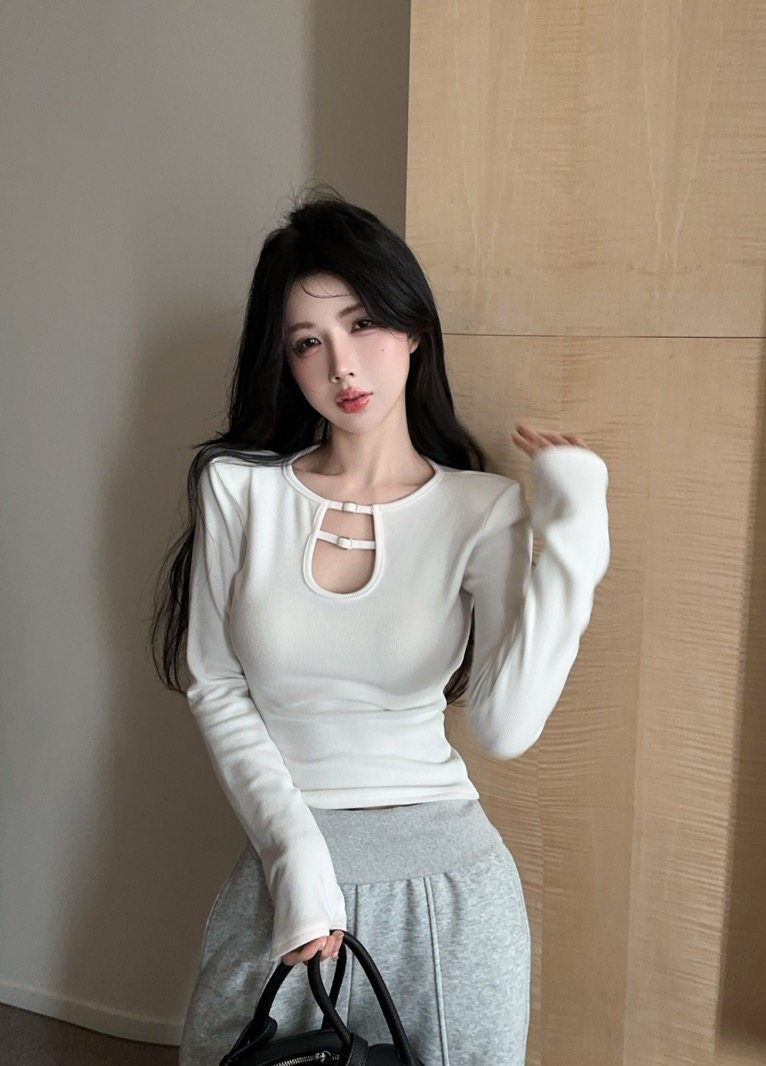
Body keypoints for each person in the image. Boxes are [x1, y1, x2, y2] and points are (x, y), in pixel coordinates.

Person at [149, 183, 611, 1065]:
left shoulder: (482, 509)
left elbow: (503, 726)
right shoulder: (238, 490)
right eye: (307, 342)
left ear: (412, 328)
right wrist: (295, 857)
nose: (342, 366)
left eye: (362, 324)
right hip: (287, 879)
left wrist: (575, 539)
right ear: (284, 361)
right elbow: (214, 684)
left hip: (452, 886)